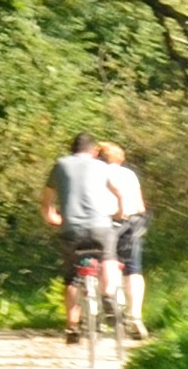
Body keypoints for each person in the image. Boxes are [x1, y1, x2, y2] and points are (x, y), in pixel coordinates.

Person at [44, 135, 129, 344]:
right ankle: (108, 295)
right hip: (100, 226)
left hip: (71, 229)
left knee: (72, 277)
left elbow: (46, 201)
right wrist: (120, 212)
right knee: (108, 258)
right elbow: (118, 193)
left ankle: (72, 326)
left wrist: (52, 217)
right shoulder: (101, 166)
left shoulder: (60, 165)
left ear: (72, 149)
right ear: (93, 151)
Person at [99, 137, 153, 338]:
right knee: (134, 269)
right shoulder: (129, 174)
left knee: (106, 261)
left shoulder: (96, 173)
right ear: (119, 158)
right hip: (132, 222)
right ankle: (136, 317)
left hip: (107, 222)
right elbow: (140, 206)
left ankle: (108, 297)